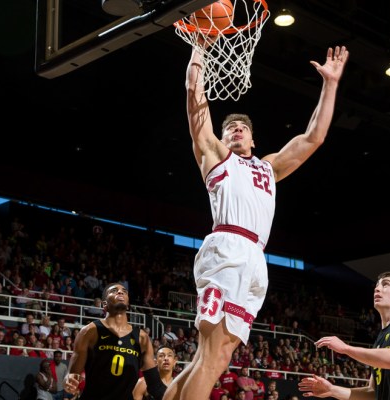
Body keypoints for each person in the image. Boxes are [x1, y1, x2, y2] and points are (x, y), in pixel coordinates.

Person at [163, 43, 349, 400]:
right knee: (213, 354)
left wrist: (330, 84)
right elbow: (193, 97)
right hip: (227, 249)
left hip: (255, 259)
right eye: (229, 127)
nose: (235, 130)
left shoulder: (268, 167)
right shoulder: (215, 156)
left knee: (213, 358)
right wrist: (198, 51)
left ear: (253, 138)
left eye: (241, 128)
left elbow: (314, 137)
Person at [298, 271, 390, 399]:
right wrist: (332, 390)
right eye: (377, 285)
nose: (377, 288)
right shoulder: (380, 339)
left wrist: (346, 349)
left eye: (385, 284)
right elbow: (373, 392)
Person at [63, 283, 166, 400]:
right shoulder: (90, 331)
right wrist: (69, 380)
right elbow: (73, 374)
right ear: (104, 304)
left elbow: (155, 387)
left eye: (124, 291)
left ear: (128, 304)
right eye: (114, 291)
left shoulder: (142, 337)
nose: (120, 292)